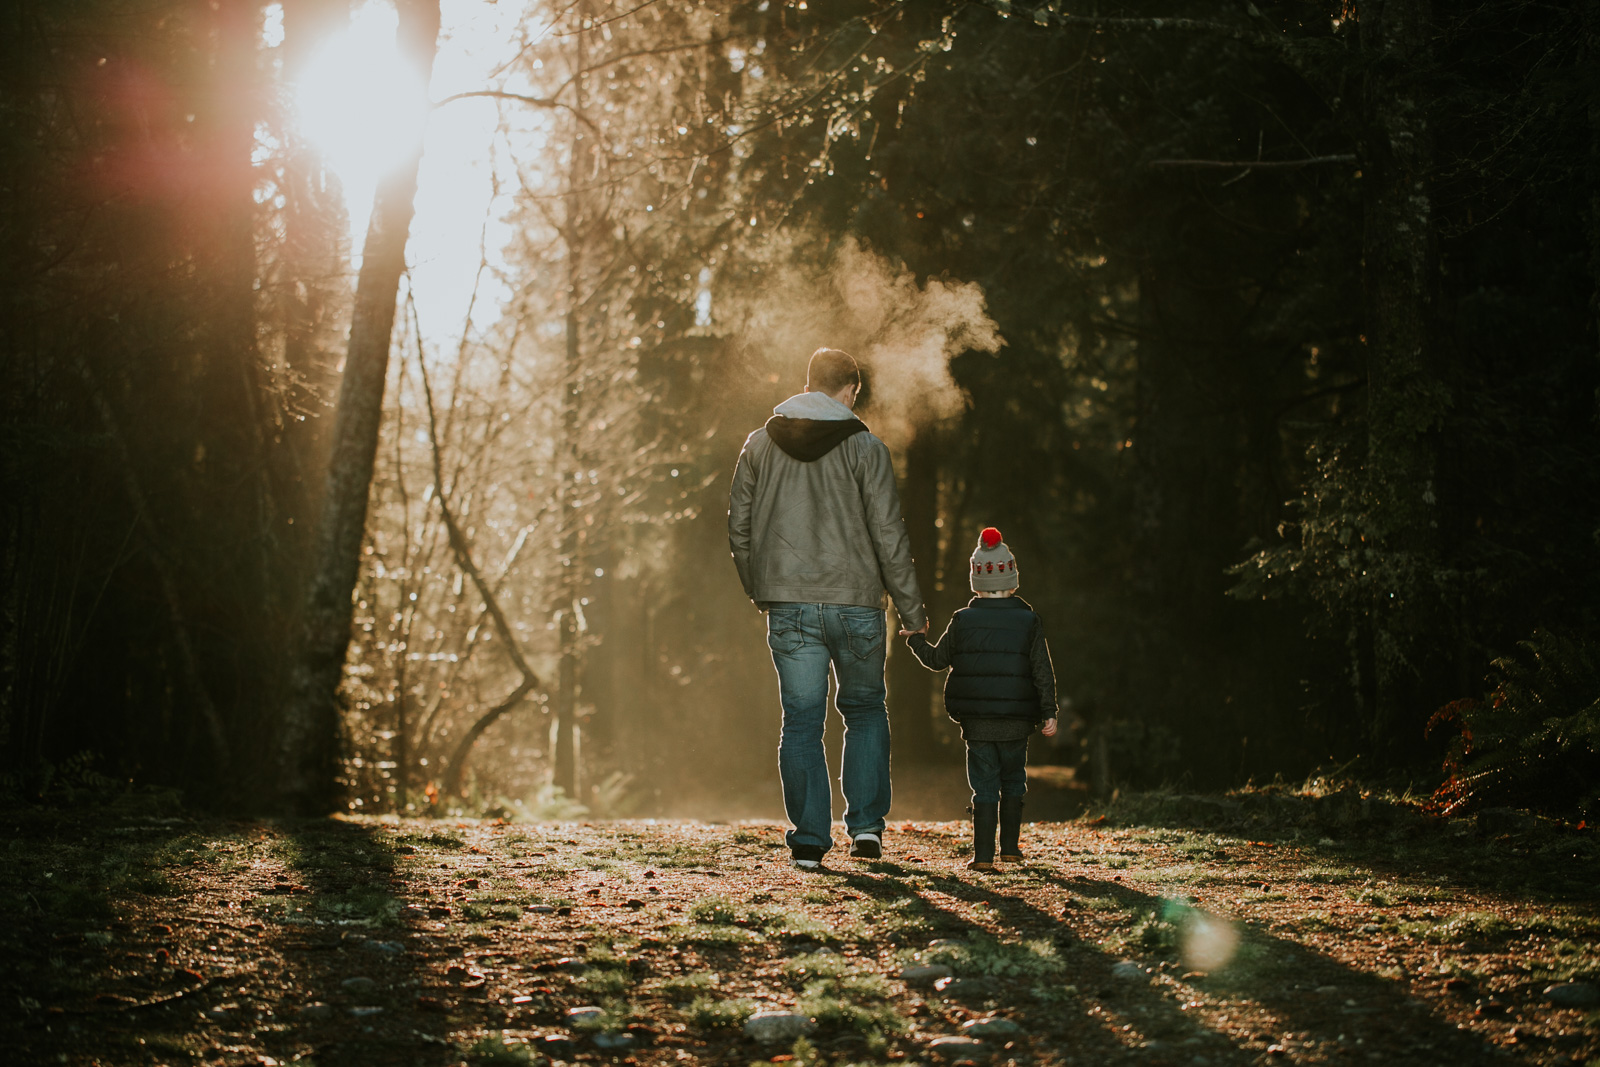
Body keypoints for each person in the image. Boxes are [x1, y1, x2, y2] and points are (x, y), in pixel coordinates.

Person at [728, 347, 927, 869]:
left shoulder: (758, 446)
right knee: (864, 711)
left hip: (788, 604)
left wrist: (761, 588)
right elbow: (889, 535)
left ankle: (811, 842)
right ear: (851, 391)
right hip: (857, 603)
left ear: (808, 383)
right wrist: (911, 609)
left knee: (801, 721)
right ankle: (865, 830)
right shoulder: (867, 448)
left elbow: (740, 528)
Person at [901, 527, 1063, 870]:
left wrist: (915, 639)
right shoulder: (1028, 621)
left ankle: (984, 857)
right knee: (1014, 781)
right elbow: (1042, 670)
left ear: (975, 582)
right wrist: (1049, 710)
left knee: (984, 787)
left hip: (977, 722)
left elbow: (936, 660)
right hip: (1017, 722)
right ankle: (1011, 849)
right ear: (1013, 580)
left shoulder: (962, 620)